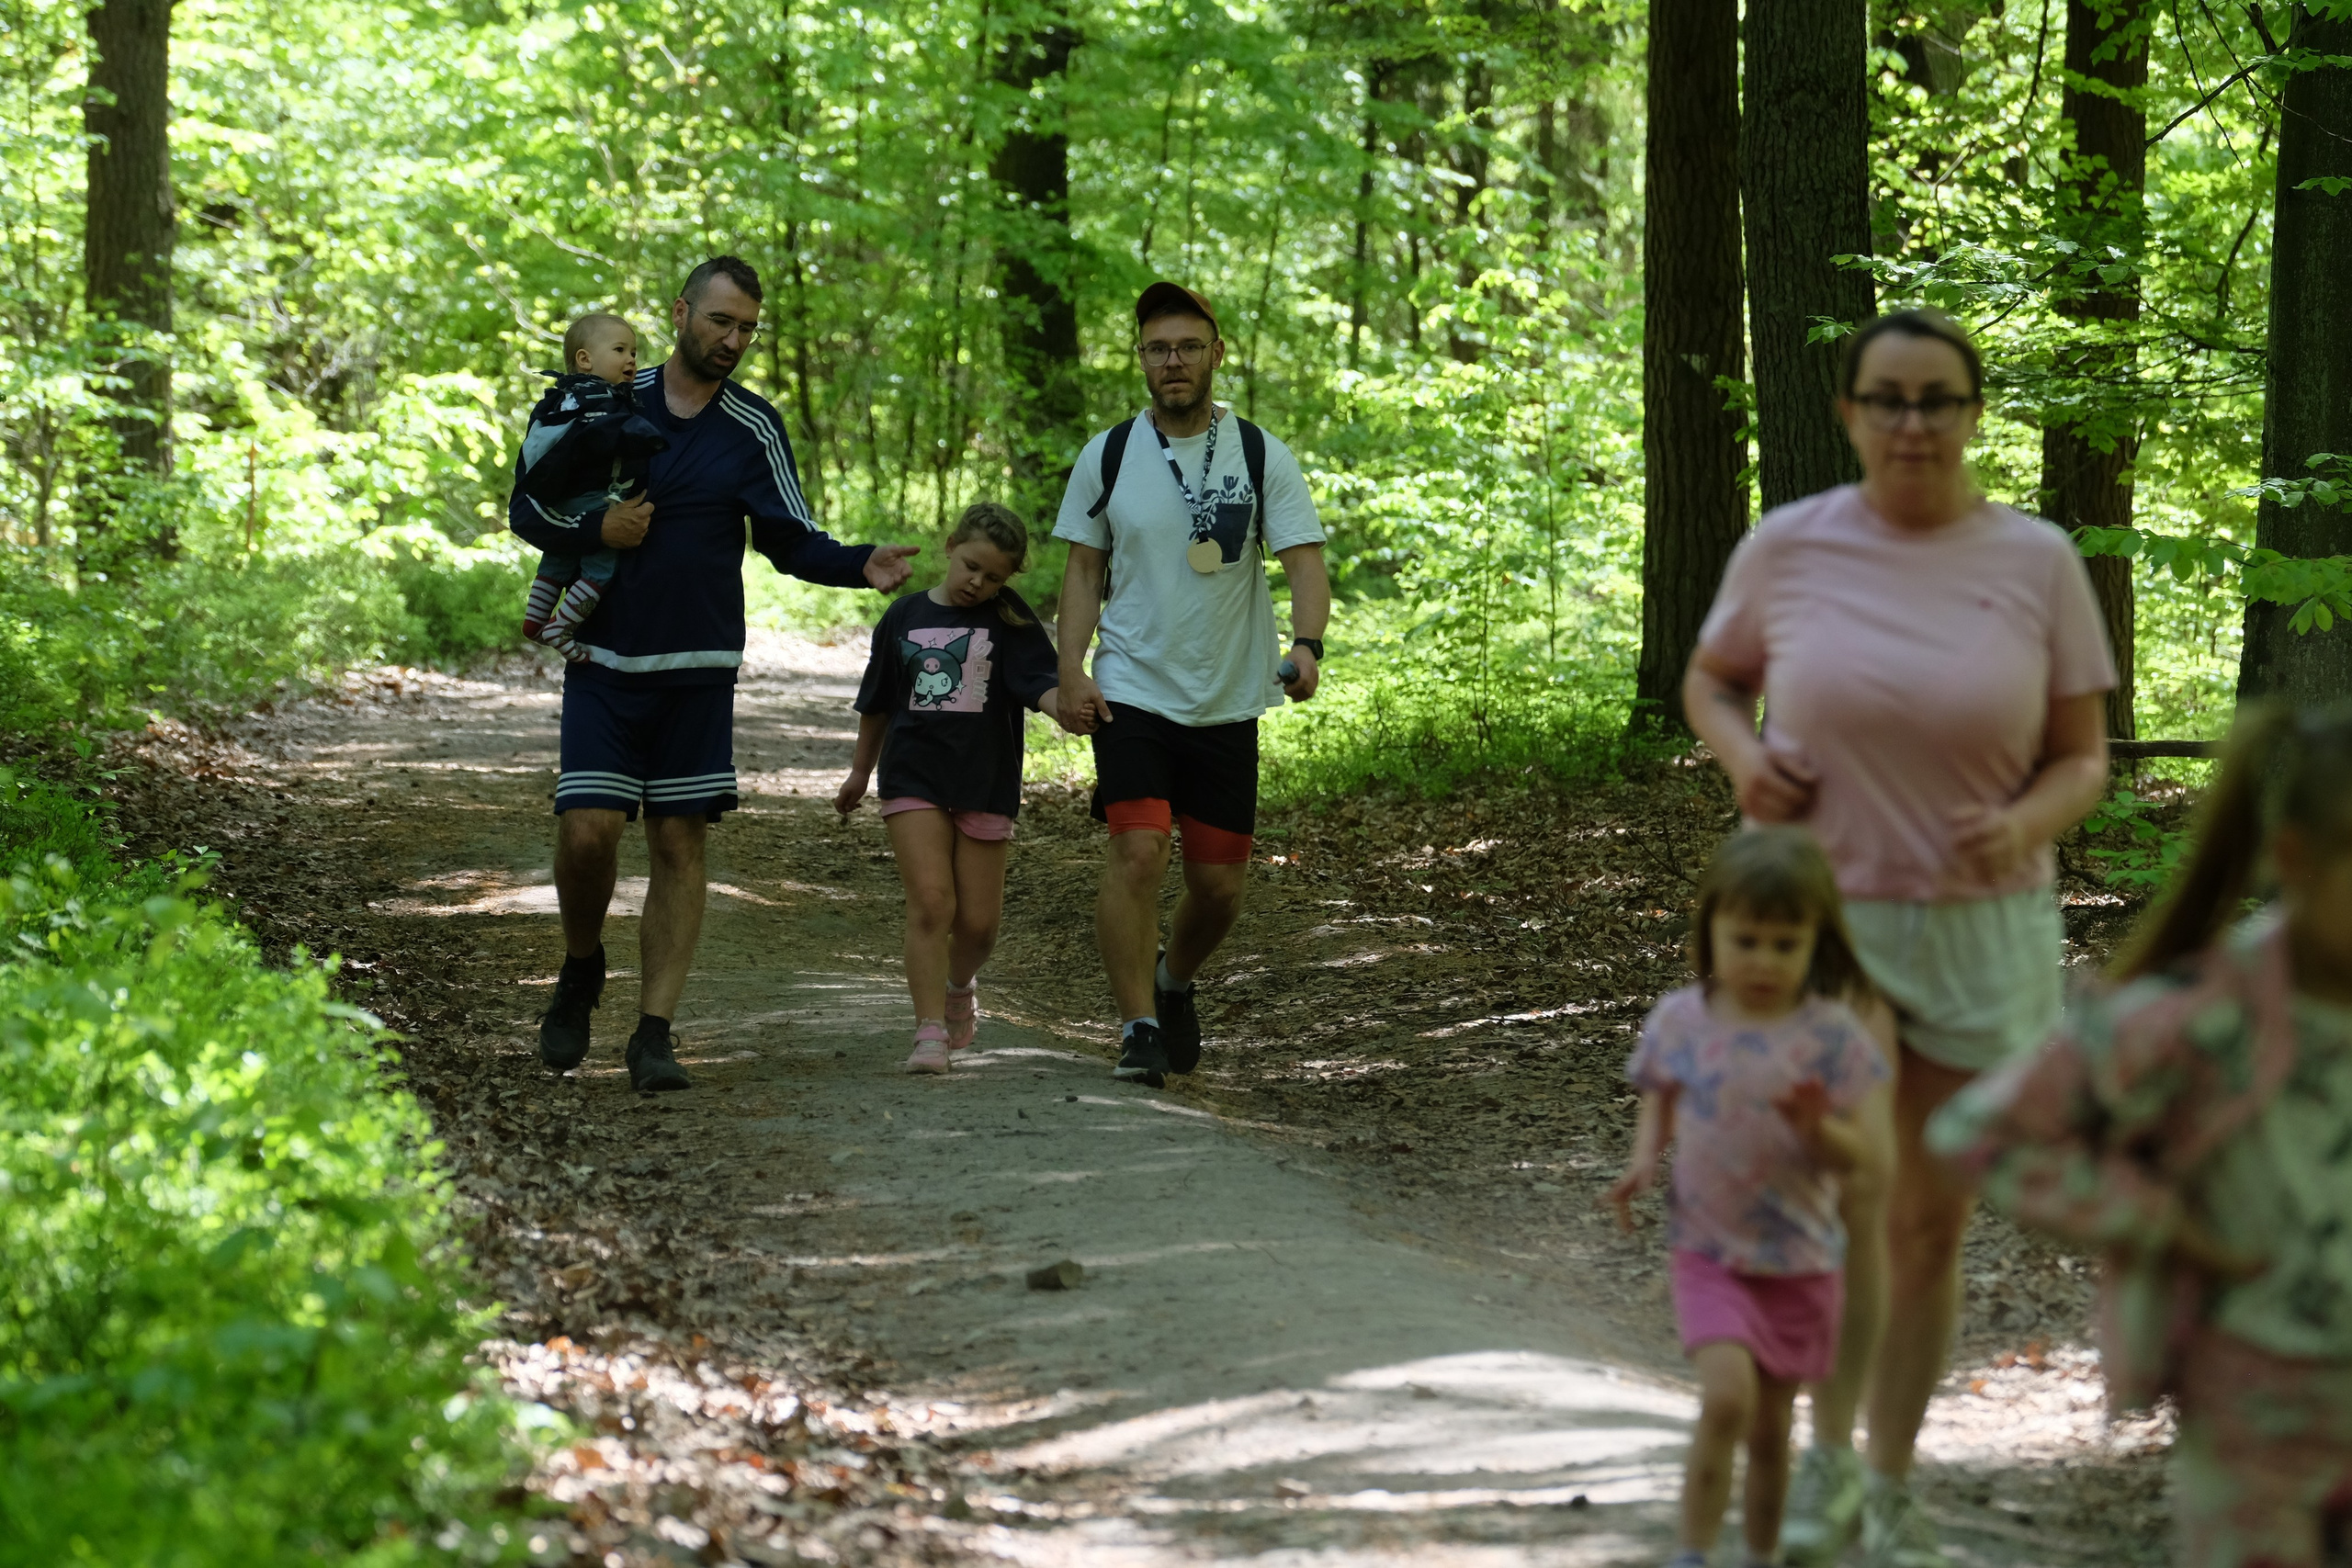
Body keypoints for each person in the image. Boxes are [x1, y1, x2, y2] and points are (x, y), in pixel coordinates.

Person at [1681, 309, 2116, 1568]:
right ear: (1850, 413)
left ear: (1976, 413)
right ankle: (1821, 1469)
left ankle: (1890, 1477)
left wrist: (2026, 816)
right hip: (1833, 923)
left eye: (1938, 400)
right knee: (1842, 1200)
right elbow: (1709, 679)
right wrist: (1746, 758)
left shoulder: (2037, 562)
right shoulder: (1790, 545)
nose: (1913, 423)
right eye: (1889, 399)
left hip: (1986, 930)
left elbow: (2083, 757)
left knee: (1929, 1222)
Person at [1933, 704, 2352, 1568]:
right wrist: (2156, 1218)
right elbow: (1981, 1131)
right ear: (2296, 859)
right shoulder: (2202, 1017)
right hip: (2257, 1409)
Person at [514, 255, 916, 1093]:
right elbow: (531, 500)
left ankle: (654, 1029)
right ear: (681, 312)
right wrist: (600, 525)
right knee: (587, 832)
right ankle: (582, 964)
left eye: (746, 329)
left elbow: (790, 538)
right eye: (720, 321)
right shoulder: (602, 398)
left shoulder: (752, 427)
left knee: (676, 841)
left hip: (698, 670)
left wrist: (858, 564)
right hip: (604, 662)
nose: (733, 339)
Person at [1050, 281, 1330, 1088]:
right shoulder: (1109, 453)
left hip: (1228, 696)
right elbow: (1083, 568)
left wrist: (1307, 645)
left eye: (1186, 346)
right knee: (1137, 853)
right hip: (1132, 685)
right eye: (1157, 348)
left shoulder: (1257, 453)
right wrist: (1070, 667)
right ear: (1140, 358)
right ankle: (1138, 1024)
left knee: (1218, 887)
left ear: (1215, 352)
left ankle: (1173, 983)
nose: (1172, 361)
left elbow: (1304, 560)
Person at [1609, 828, 1888, 1568]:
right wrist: (1642, 1163)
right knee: (1726, 1400)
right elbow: (1659, 1093)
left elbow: (1861, 1158)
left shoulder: (1832, 1036)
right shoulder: (1684, 1019)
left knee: (1771, 1432)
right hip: (1709, 1250)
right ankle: (1693, 1550)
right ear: (1711, 931)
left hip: (1801, 1259)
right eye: (1746, 939)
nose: (1762, 960)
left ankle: (1758, 1556)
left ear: (1815, 944)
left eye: (1784, 943)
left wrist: (1817, 1128)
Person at [836, 502, 1060, 1074]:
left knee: (980, 924)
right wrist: (861, 773)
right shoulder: (904, 616)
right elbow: (878, 701)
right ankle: (929, 1030)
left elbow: (1041, 684)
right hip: (913, 775)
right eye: (971, 566)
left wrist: (1069, 709)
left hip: (985, 780)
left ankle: (960, 984)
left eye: (993, 577)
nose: (978, 583)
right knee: (933, 904)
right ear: (950, 546)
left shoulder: (1010, 619)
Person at [516, 313, 666, 662]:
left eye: (634, 351)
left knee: (557, 558)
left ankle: (535, 620)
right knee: (600, 567)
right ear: (585, 359)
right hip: (595, 502)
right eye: (620, 350)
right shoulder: (603, 399)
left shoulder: (562, 398)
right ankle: (561, 626)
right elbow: (605, 436)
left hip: (560, 502)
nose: (631, 359)